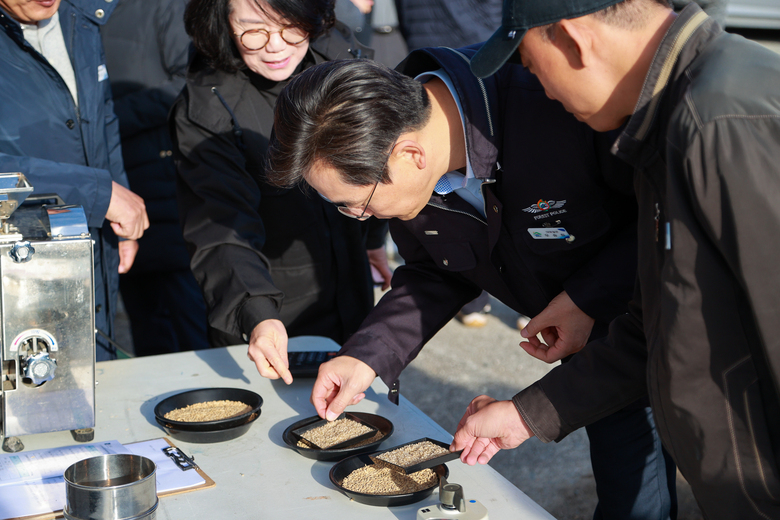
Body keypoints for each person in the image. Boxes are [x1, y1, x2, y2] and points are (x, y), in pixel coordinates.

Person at [266, 56, 679, 519]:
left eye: (357, 204)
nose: (361, 218)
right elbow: (435, 270)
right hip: (594, 357)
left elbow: (667, 216)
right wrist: (366, 355)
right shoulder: (407, 176)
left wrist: (588, 296)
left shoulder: (553, 99)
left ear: (410, 155)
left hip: (664, 326)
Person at [458, 1, 780, 518]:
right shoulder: (670, 123)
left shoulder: (720, 120)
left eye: (534, 66)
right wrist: (526, 415)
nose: (543, 88)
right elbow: (653, 327)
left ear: (572, 39)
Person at [170, 0, 391, 383]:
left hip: (349, 285)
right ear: (223, 22)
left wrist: (374, 235)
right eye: (254, 29)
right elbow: (220, 227)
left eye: (290, 26)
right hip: (270, 309)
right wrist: (256, 313)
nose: (275, 45)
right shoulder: (206, 109)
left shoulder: (343, 58)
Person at [0, 0, 149, 361]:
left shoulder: (79, 18)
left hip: (90, 245)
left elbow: (102, 119)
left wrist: (119, 208)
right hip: (16, 269)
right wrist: (97, 194)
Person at [102, 0, 210, 356]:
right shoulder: (75, 13)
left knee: (187, 322)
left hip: (165, 177)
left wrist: (107, 116)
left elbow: (192, 81)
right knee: (144, 318)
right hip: (115, 178)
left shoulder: (163, 7)